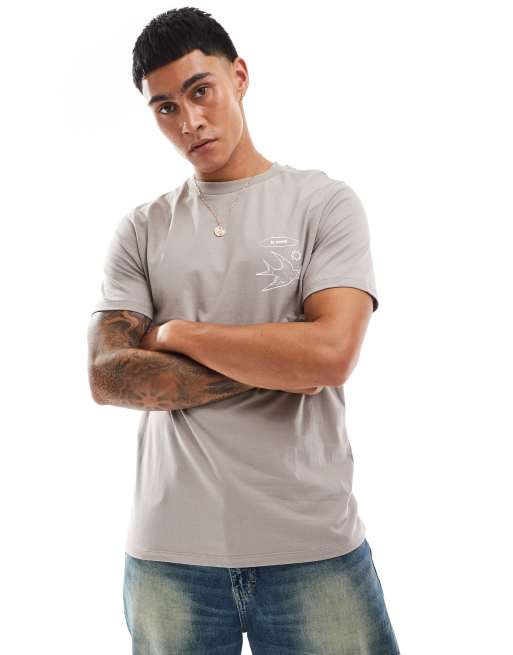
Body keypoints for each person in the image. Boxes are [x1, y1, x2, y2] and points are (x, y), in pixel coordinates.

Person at [87, 6, 401, 654]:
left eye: (200, 90)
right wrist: (285, 360)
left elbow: (329, 354)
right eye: (165, 108)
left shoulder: (322, 203)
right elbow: (108, 376)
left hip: (311, 544)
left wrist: (177, 333)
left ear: (239, 77)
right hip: (169, 555)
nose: (189, 121)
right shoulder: (142, 229)